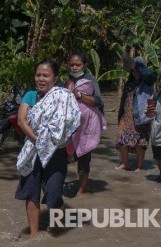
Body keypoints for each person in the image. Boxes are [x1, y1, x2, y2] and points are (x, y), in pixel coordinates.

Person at [15, 60, 81, 237]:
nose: (41, 78)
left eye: (46, 75)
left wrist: (53, 143)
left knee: (54, 193)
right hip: (32, 151)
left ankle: (56, 227)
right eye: (38, 75)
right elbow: (22, 121)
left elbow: (72, 121)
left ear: (55, 78)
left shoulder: (63, 97)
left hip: (56, 153)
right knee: (31, 194)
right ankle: (34, 236)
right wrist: (39, 140)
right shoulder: (30, 96)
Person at [64, 52, 106, 194]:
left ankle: (81, 191)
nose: (75, 67)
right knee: (62, 157)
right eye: (72, 65)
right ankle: (58, 188)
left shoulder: (90, 79)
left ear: (85, 65)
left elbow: (98, 101)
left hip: (86, 127)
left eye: (78, 64)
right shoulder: (64, 80)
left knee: (84, 159)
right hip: (67, 126)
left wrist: (79, 95)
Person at [116, 55, 156, 172]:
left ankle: (139, 166)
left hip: (142, 117)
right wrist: (120, 115)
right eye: (133, 71)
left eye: (137, 71)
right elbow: (124, 100)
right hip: (127, 117)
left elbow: (150, 76)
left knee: (140, 143)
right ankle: (125, 163)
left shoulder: (147, 83)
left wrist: (138, 65)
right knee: (121, 140)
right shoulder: (129, 84)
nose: (135, 73)